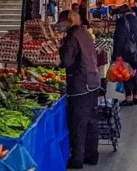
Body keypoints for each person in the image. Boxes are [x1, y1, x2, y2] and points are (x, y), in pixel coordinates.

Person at [57, 10, 101, 169]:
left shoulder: (71, 37)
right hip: (93, 80)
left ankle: (77, 159)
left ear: (68, 22)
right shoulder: (85, 32)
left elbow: (67, 61)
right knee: (91, 121)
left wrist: (60, 48)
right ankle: (92, 155)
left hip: (80, 83)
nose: (58, 25)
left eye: (60, 22)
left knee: (78, 123)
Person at [113, 4, 137, 106]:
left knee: (126, 75)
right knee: (133, 74)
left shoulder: (122, 21)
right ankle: (135, 96)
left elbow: (119, 38)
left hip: (127, 51)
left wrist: (117, 54)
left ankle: (129, 98)